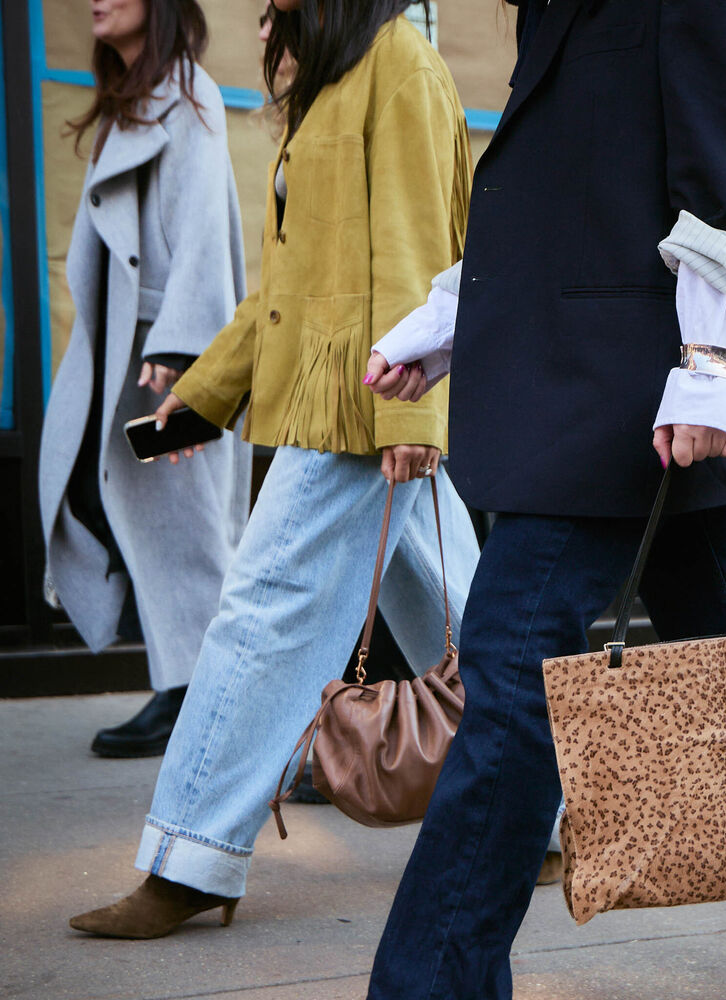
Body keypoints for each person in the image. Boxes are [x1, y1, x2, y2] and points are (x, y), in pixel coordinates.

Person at [361, 1, 726, 998]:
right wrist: (448, 322)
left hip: (639, 392)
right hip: (606, 391)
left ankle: (431, 987)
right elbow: (571, 201)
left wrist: (712, 365)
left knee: (511, 682)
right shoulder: (552, 10)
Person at [67, 0, 481, 940]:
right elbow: (286, 291)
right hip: (341, 402)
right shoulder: (330, 81)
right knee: (478, 619)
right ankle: (533, 812)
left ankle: (191, 858)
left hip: (359, 407)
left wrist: (410, 411)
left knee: (260, 614)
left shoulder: (402, 65)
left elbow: (426, 259)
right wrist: (207, 391)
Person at [38, 0, 251, 758]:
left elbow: (201, 227)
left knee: (188, 523)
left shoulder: (188, 95)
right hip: (127, 353)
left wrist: (186, 347)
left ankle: (196, 695)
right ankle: (186, 686)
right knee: (132, 506)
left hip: (169, 357)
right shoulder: (133, 103)